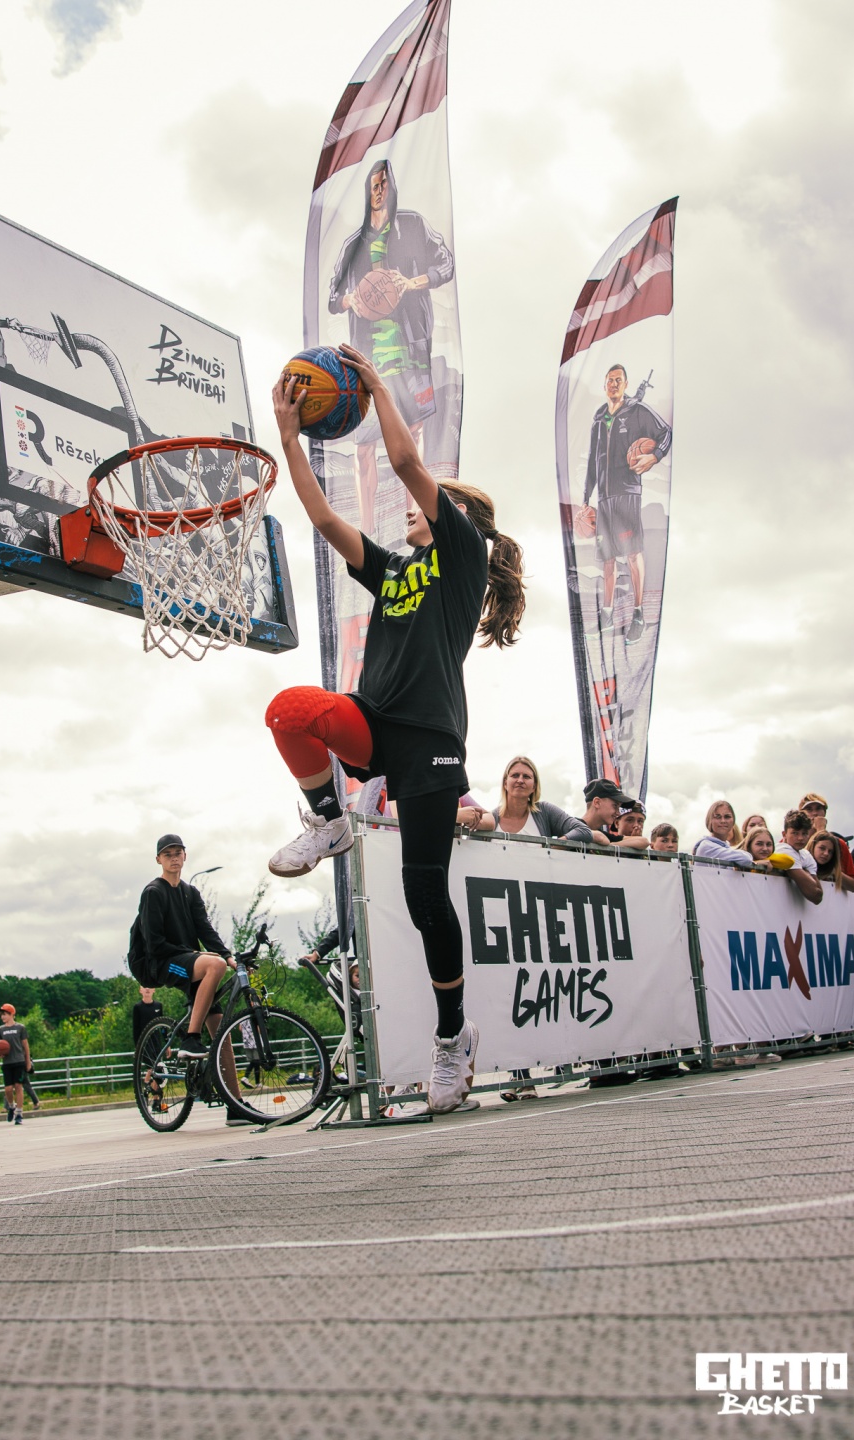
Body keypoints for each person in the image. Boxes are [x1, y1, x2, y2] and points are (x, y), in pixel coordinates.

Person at [266, 345, 526, 1113]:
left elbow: (408, 463)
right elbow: (323, 518)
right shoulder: (393, 570)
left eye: (425, 504)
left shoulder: (462, 557)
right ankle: (329, 822)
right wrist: (289, 437)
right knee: (290, 710)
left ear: (455, 519)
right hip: (376, 723)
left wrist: (376, 385)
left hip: (431, 742)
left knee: (424, 897)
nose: (411, 507)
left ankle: (452, 1037)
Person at [329, 158, 455, 532]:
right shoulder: (353, 246)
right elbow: (333, 298)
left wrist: (410, 283)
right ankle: (367, 529)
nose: (380, 190)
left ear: (392, 187)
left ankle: (414, 517)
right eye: (374, 185)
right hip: (369, 360)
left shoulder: (413, 226)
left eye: (384, 183)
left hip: (411, 348)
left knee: (413, 432)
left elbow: (446, 264)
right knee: (363, 445)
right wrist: (351, 299)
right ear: (367, 191)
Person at [576, 363, 672, 644]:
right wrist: (586, 498)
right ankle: (607, 615)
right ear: (605, 385)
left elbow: (666, 433)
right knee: (608, 559)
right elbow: (593, 459)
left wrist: (654, 456)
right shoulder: (599, 418)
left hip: (628, 492)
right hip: (604, 497)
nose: (614, 384)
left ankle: (638, 615)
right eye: (610, 380)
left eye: (618, 380)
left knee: (632, 553)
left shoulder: (637, 410)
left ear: (626, 384)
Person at [129, 835, 235, 1064]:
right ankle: (191, 1037)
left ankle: (231, 1089)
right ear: (158, 859)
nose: (174, 858)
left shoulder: (190, 892)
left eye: (178, 853)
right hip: (161, 964)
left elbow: (205, 929)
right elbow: (154, 943)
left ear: (185, 856)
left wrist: (229, 956)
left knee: (222, 1036)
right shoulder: (153, 892)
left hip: (188, 962)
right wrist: (199, 954)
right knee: (215, 965)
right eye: (167, 854)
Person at [459, 755, 592, 843]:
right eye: (515, 775)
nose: (520, 780)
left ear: (534, 786)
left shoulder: (545, 811)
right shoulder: (491, 818)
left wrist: (554, 847)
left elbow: (584, 831)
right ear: (505, 783)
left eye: (526, 777)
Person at [774, 810, 824, 905]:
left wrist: (803, 872)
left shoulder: (806, 854)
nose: (800, 838)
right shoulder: (783, 850)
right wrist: (806, 872)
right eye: (795, 833)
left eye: (804, 833)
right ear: (784, 834)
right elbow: (814, 894)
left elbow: (819, 896)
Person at [132, 985, 166, 1113]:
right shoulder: (138, 1007)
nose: (147, 989)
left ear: (154, 990)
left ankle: (154, 1099)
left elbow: (163, 1025)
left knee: (158, 1071)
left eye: (149, 987)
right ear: (140, 990)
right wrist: (137, 1047)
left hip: (156, 1042)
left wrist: (166, 1043)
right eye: (144, 987)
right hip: (145, 1044)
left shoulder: (158, 1006)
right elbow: (136, 1029)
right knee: (152, 1069)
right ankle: (148, 1090)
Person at [0, 1004, 32, 1124]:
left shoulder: (20, 1028)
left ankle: (19, 1113)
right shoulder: (0, 1030)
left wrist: (28, 1062)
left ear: (12, 1014)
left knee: (18, 1086)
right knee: (8, 1089)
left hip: (19, 1061)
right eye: (1, 1015)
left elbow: (25, 1046)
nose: (2, 1017)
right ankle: (11, 1106)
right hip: (7, 1062)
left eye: (5, 1014)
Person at [692, 801, 754, 868]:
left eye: (727, 817)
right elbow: (746, 859)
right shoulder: (707, 846)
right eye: (718, 817)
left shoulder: (725, 847)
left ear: (733, 821)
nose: (723, 821)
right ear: (709, 821)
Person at [579, 777, 637, 846]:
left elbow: (643, 841)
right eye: (615, 805)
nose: (618, 813)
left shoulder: (603, 836)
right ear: (597, 803)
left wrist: (610, 846)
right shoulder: (570, 827)